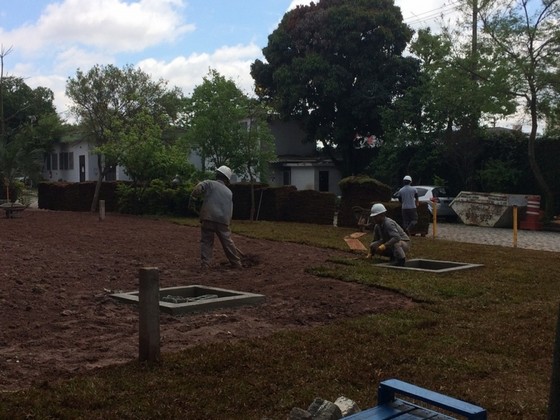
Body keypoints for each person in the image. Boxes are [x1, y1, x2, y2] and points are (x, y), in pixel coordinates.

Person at [188, 165, 242, 269]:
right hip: (223, 221)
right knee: (228, 243)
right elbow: (229, 209)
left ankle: (205, 265)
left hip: (208, 217)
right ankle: (236, 263)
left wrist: (192, 201)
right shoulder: (229, 192)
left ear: (217, 175)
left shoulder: (209, 183)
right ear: (227, 179)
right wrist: (227, 223)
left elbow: (198, 188)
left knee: (207, 241)